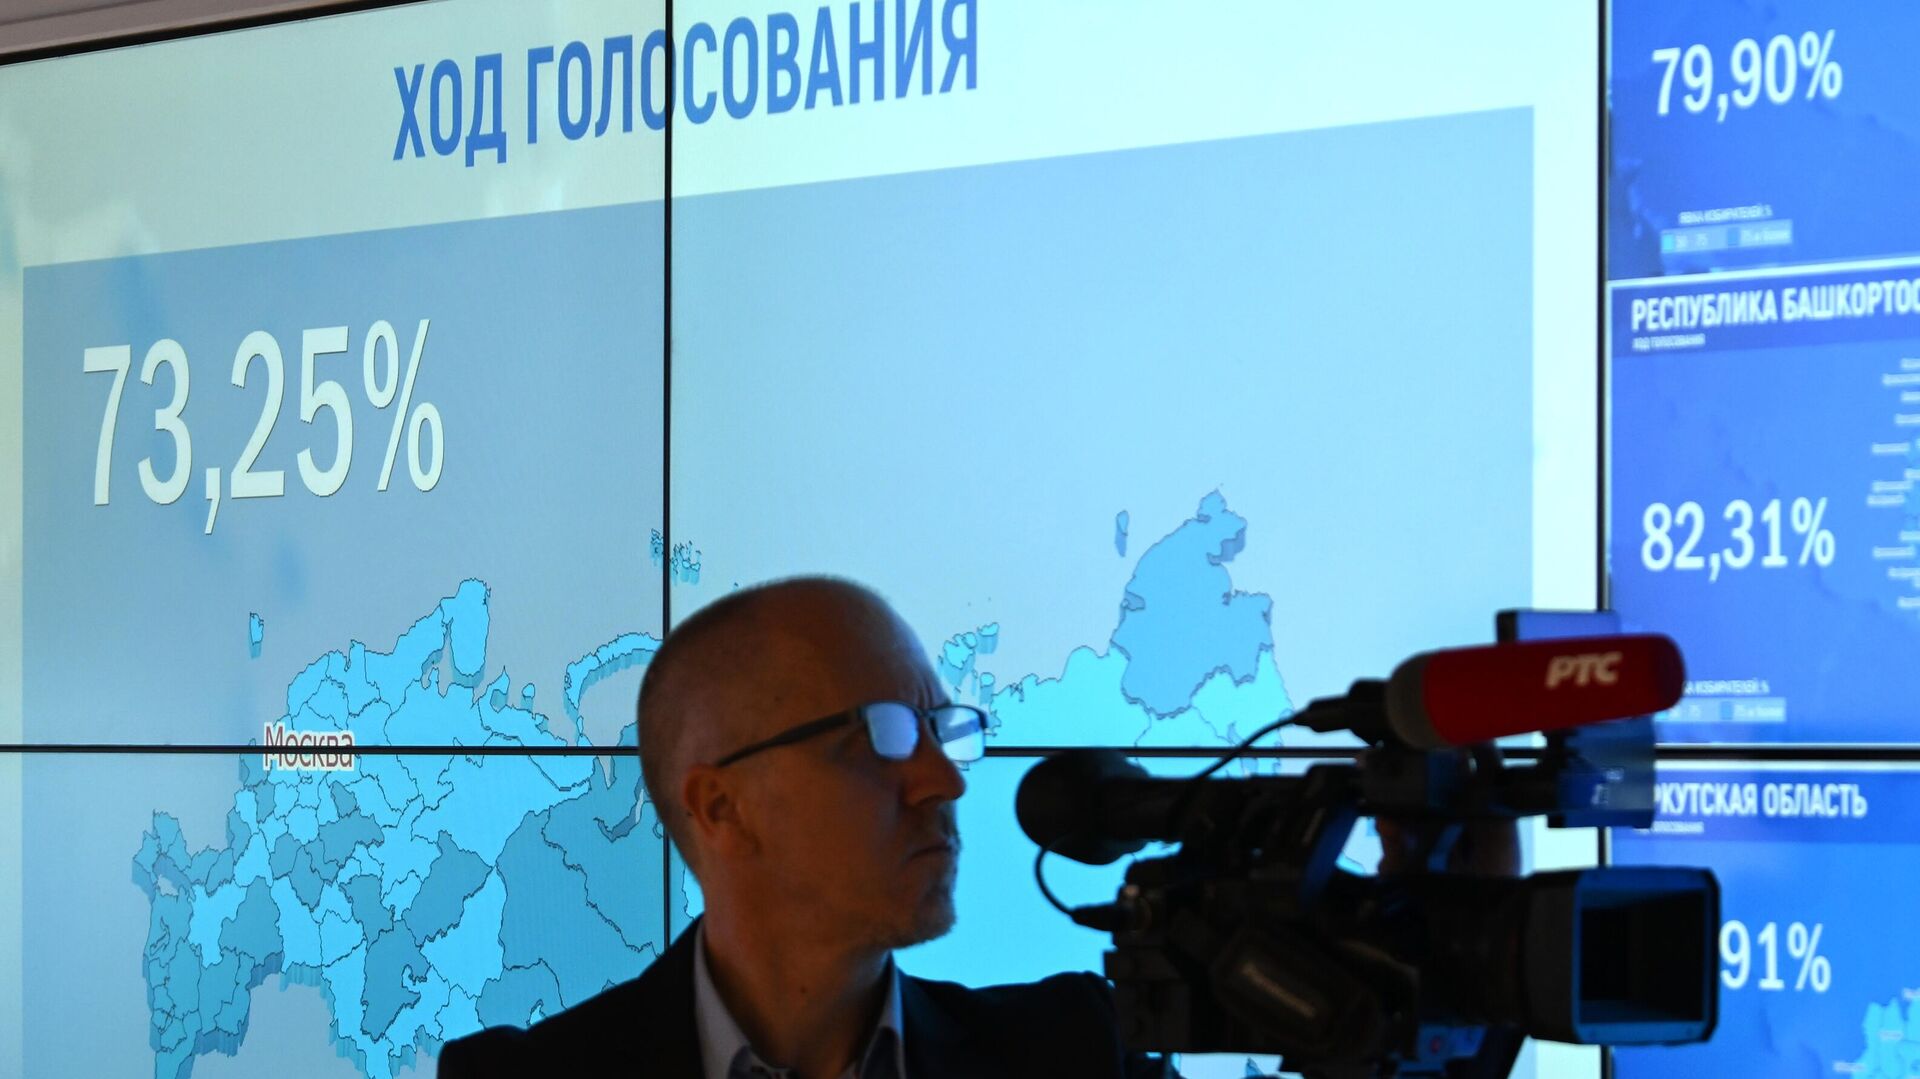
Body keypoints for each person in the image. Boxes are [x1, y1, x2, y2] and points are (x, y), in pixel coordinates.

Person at [438, 576, 1174, 1078]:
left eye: (942, 730)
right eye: (886, 733)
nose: (945, 782)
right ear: (722, 807)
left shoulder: (1075, 1052)